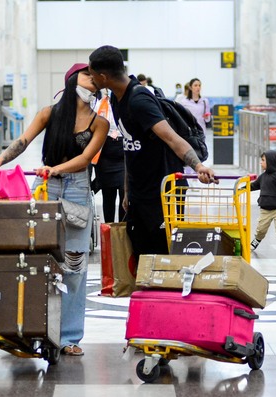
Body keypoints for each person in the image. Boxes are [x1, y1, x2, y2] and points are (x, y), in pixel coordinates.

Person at [0, 63, 109, 355]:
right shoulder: (50, 112)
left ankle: (69, 337)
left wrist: (54, 169)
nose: (93, 81)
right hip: (46, 187)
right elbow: (22, 142)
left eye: (96, 77)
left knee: (74, 265)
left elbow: (86, 158)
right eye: (87, 75)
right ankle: (27, 328)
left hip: (76, 189)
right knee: (33, 259)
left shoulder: (100, 123)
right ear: (73, 80)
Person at [88, 45, 216, 259]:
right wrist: (128, 191)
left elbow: (171, 138)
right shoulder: (116, 99)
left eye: (92, 76)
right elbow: (130, 146)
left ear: (103, 77)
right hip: (140, 193)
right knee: (140, 256)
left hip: (162, 193)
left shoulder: (139, 100)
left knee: (163, 257)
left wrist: (198, 166)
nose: (92, 81)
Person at [92, 88, 125, 222]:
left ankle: (123, 231)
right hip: (105, 156)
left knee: (124, 195)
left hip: (123, 156)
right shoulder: (99, 105)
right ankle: (109, 229)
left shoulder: (125, 105)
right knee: (108, 196)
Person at [250, 150, 276, 254]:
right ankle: (257, 240)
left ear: (271, 162)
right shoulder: (262, 177)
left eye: (263, 160)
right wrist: (243, 188)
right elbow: (254, 185)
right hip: (265, 209)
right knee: (261, 228)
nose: (261, 162)